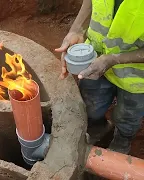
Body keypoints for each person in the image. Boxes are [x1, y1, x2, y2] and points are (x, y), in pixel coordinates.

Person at [55, 0, 144, 154]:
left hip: (136, 76)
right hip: (95, 56)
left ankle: (122, 141)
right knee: (91, 106)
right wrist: (76, 30)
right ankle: (98, 128)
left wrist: (113, 59)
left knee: (127, 116)